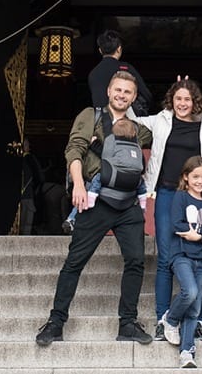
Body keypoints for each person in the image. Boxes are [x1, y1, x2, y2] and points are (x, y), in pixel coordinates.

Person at [35, 71, 154, 346]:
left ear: (134, 97)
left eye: (128, 92)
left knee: (135, 260)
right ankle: (56, 321)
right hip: (95, 198)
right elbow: (74, 150)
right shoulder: (91, 116)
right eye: (118, 90)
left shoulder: (139, 128)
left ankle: (128, 323)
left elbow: (156, 135)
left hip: (128, 203)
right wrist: (78, 184)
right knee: (75, 261)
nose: (122, 95)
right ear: (109, 91)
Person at [134, 78, 202, 341]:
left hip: (198, 196)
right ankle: (162, 318)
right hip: (167, 194)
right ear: (172, 100)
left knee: (199, 257)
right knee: (165, 258)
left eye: (187, 99)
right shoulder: (161, 120)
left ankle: (200, 320)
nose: (182, 103)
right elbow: (129, 116)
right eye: (178, 98)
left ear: (195, 101)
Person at [159, 156, 202, 369]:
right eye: (196, 177)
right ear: (186, 177)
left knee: (195, 308)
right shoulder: (180, 197)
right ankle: (170, 320)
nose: (200, 181)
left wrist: (201, 234)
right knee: (189, 292)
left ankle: (186, 352)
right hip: (181, 255)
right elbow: (177, 224)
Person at [84, 119, 148, 212]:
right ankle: (142, 202)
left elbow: (103, 153)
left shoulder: (113, 142)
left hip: (114, 177)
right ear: (134, 133)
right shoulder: (136, 146)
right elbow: (142, 164)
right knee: (142, 185)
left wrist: (94, 143)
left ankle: (92, 196)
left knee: (98, 178)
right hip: (133, 181)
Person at [88, 29, 153, 116]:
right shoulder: (126, 68)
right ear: (119, 49)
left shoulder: (92, 73)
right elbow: (146, 95)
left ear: (100, 50)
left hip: (101, 121)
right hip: (124, 120)